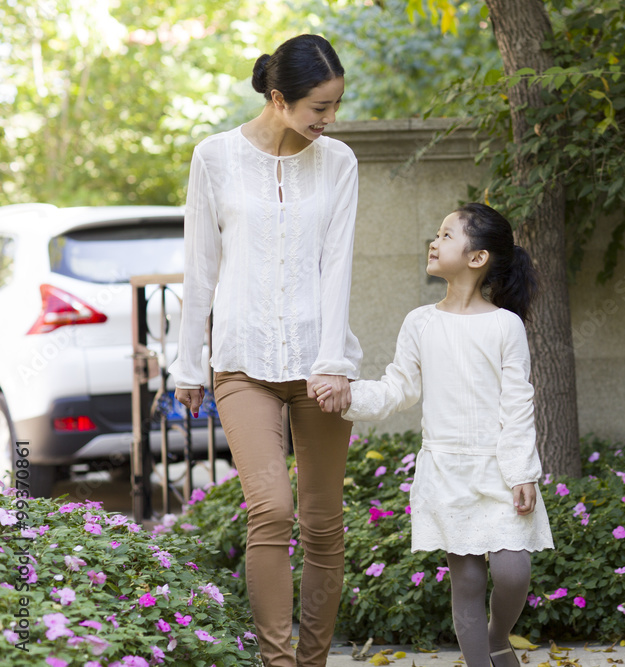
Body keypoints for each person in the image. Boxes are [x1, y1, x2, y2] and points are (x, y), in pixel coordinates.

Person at [170, 34, 360, 667]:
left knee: (324, 523)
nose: (329, 122)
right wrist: (188, 366)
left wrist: (333, 362)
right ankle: (279, 663)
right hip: (242, 361)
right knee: (272, 510)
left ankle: (313, 660)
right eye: (318, 109)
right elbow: (199, 267)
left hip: (319, 364)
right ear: (279, 99)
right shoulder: (214, 157)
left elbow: (339, 268)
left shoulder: (339, 163)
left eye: (334, 107)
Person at [316, 203, 554, 667]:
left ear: (477, 257)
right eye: (437, 234)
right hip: (445, 469)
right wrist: (349, 398)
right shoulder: (420, 322)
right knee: (466, 583)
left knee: (513, 571)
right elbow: (399, 388)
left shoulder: (506, 325)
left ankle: (498, 637)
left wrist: (523, 472)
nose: (434, 241)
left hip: (500, 469)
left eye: (447, 235)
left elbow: (518, 404)